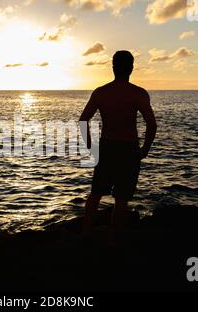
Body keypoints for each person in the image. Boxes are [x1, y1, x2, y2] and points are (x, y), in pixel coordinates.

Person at [79, 50, 157, 247]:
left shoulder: (101, 92)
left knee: (96, 193)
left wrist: (91, 146)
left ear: (113, 67)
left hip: (106, 148)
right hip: (128, 150)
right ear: (131, 68)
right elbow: (151, 124)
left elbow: (83, 120)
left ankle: (86, 234)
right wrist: (145, 149)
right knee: (121, 199)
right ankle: (113, 241)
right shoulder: (138, 93)